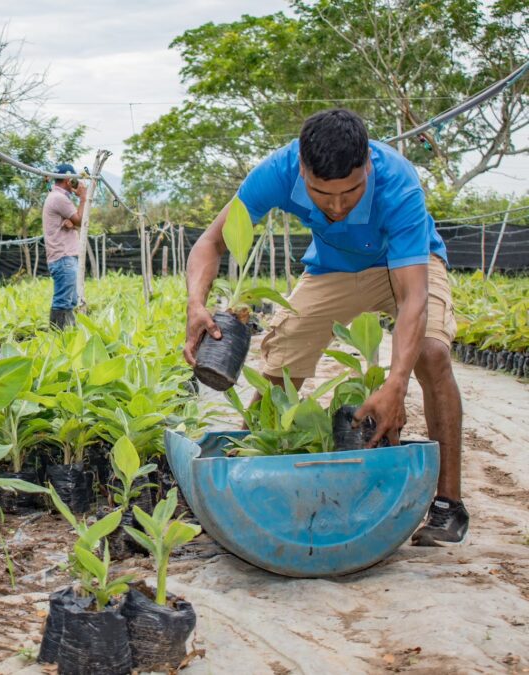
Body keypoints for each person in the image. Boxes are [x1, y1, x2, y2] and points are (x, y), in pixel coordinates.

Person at [183, 109, 467, 546]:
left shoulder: (398, 182)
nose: (336, 206)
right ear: (301, 168)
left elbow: (412, 296)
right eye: (321, 195)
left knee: (431, 353)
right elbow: (211, 241)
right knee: (282, 358)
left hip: (405, 263)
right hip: (332, 269)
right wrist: (196, 303)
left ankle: (449, 504)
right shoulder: (275, 172)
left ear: (368, 165)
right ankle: (255, 473)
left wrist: (396, 383)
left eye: (350, 193)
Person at [41, 163, 88, 328]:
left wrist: (72, 222)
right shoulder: (59, 199)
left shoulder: (56, 197)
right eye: (73, 179)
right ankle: (57, 338)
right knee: (63, 301)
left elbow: (73, 221)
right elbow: (81, 220)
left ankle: (67, 336)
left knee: (70, 300)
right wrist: (83, 197)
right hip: (63, 257)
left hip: (64, 257)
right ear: (68, 180)